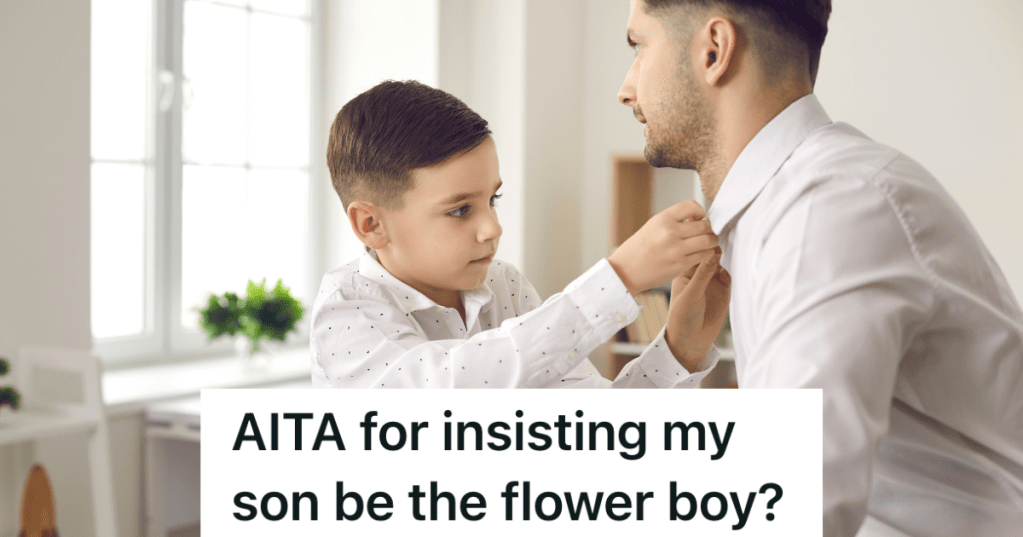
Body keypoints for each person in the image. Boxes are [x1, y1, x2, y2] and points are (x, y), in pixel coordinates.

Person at [616, 0, 1023, 535]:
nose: (625, 88)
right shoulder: (781, 212)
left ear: (714, 50)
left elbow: (793, 508)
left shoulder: (830, 207)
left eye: (639, 47)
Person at [311, 80, 730, 389]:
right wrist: (619, 277)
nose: (493, 228)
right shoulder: (345, 313)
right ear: (371, 225)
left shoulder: (503, 284)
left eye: (493, 199)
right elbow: (448, 392)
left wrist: (680, 349)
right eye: (460, 210)